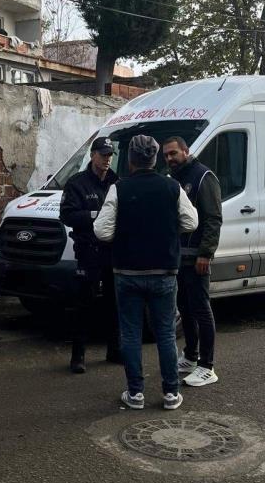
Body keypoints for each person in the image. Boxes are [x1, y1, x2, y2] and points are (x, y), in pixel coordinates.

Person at [94, 134, 197, 411]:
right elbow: (191, 222)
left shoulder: (118, 188)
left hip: (127, 272)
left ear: (130, 160)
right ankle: (171, 393)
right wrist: (167, 228)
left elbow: (102, 231)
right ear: (154, 159)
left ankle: (135, 393)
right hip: (164, 271)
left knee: (130, 334)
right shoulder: (172, 186)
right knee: (165, 333)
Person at [163, 136, 223, 388]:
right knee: (185, 309)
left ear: (186, 151)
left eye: (173, 153)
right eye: (166, 155)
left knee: (201, 309)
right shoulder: (173, 178)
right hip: (179, 257)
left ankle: (207, 367)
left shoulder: (203, 176)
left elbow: (213, 219)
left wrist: (205, 253)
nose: (169, 158)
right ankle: (190, 356)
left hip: (197, 257)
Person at [59, 136, 121, 373]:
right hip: (88, 251)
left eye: (110, 155)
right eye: (103, 154)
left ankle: (114, 350)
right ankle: (78, 356)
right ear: (93, 155)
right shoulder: (78, 183)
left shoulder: (116, 182)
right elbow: (67, 215)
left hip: (112, 251)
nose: (107, 159)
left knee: (114, 302)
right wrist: (96, 215)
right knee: (84, 303)